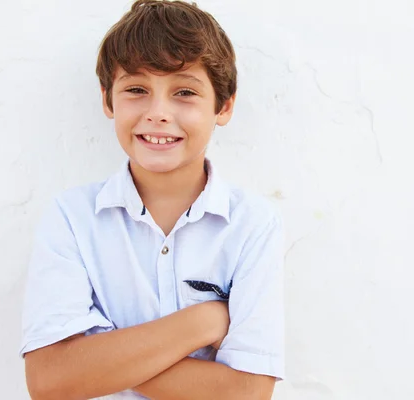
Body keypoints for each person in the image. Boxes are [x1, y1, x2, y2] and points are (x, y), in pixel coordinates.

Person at [19, 1, 285, 399]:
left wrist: (95, 359)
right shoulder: (72, 218)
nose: (158, 113)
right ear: (108, 100)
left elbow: (246, 393)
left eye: (184, 92)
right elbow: (49, 380)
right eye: (137, 89)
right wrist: (204, 321)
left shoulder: (253, 224)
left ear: (223, 106)